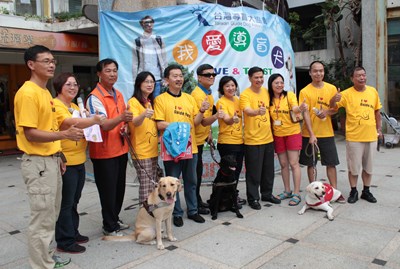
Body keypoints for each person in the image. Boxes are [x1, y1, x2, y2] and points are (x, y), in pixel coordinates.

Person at [14, 45, 83, 269]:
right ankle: (41, 265)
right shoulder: (28, 93)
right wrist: (64, 134)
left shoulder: (45, 93)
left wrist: (59, 154)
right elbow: (31, 133)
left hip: (51, 160)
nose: (51, 64)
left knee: (51, 214)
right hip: (37, 162)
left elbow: (48, 128)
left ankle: (47, 258)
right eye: (45, 61)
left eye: (53, 60)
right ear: (31, 65)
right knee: (41, 219)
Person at [53, 72, 105, 254]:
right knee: (66, 203)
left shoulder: (75, 105)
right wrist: (92, 120)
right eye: (68, 84)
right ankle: (64, 241)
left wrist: (90, 121)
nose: (73, 87)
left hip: (79, 159)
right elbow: (69, 121)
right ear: (59, 86)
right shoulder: (56, 104)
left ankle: (73, 232)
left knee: (74, 200)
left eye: (75, 84)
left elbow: (82, 124)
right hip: (65, 161)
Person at [154, 64, 209, 227]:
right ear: (166, 80)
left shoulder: (189, 98)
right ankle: (175, 212)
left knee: (191, 181)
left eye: (180, 75)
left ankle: (192, 211)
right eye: (174, 76)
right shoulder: (160, 100)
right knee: (172, 183)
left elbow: (195, 123)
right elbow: (159, 124)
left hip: (190, 148)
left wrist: (201, 111)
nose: (179, 79)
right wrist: (179, 126)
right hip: (171, 149)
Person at [86, 58, 133, 236]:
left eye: (114, 70)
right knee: (108, 191)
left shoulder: (118, 94)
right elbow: (104, 125)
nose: (112, 74)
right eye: (108, 70)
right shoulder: (94, 98)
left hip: (120, 149)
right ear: (99, 74)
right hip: (104, 153)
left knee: (119, 188)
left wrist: (126, 126)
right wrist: (122, 118)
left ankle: (115, 218)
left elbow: (124, 119)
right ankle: (109, 225)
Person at [329, 66, 382, 204]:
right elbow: (333, 108)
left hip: (371, 137)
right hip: (354, 138)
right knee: (353, 168)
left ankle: (366, 190)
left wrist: (379, 130)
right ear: (352, 79)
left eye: (363, 75)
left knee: (369, 167)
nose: (362, 77)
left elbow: (377, 112)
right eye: (358, 75)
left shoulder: (373, 92)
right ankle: (354, 191)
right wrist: (334, 99)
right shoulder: (346, 94)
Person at [299, 60, 346, 203]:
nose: (318, 73)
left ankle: (334, 193)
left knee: (331, 163)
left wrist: (326, 112)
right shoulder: (305, 91)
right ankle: (314, 194)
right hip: (309, 134)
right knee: (311, 164)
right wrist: (312, 134)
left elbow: (334, 109)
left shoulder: (331, 88)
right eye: (315, 71)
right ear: (310, 73)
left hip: (327, 133)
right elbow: (305, 113)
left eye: (321, 70)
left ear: (324, 72)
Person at [239, 66, 280, 210]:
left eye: (261, 77)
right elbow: (247, 111)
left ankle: (267, 194)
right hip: (252, 140)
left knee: (268, 171)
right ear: (250, 78)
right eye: (256, 77)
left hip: (268, 138)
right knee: (253, 172)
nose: (259, 80)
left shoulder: (266, 92)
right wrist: (257, 111)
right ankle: (253, 198)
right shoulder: (245, 95)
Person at [267, 74, 308, 206]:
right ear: (271, 85)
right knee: (283, 164)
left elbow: (294, 108)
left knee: (293, 163)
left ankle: (296, 193)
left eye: (281, 82)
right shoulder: (269, 99)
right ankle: (287, 190)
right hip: (278, 135)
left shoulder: (289, 95)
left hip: (292, 133)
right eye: (276, 83)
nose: (279, 85)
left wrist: (300, 108)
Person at [127, 71, 159, 204]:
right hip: (141, 151)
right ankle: (144, 217)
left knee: (153, 184)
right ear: (139, 84)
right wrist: (144, 114)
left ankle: (152, 212)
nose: (150, 84)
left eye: (152, 82)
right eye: (146, 81)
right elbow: (135, 121)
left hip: (153, 150)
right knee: (146, 186)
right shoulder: (133, 101)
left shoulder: (151, 101)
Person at [191, 64, 217, 215]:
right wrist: (216, 116)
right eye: (208, 75)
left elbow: (206, 123)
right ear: (199, 77)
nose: (211, 77)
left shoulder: (209, 94)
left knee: (198, 173)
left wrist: (209, 134)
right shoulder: (197, 95)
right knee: (195, 174)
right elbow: (201, 121)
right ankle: (194, 203)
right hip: (194, 141)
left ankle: (197, 200)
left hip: (202, 139)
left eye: (213, 74)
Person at [216, 76, 246, 207]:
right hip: (227, 142)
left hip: (240, 141)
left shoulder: (238, 100)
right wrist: (232, 119)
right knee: (228, 172)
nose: (231, 88)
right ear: (222, 88)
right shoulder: (221, 102)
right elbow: (227, 120)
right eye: (227, 86)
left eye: (233, 85)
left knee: (236, 171)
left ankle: (233, 196)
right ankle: (224, 198)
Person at [132, 15, 167, 98]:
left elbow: (164, 60)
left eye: (151, 22)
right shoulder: (138, 41)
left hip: (157, 79)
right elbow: (135, 62)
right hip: (143, 79)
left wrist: (165, 77)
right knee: (144, 101)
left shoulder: (159, 39)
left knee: (157, 103)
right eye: (146, 23)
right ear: (142, 25)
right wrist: (135, 80)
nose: (149, 25)